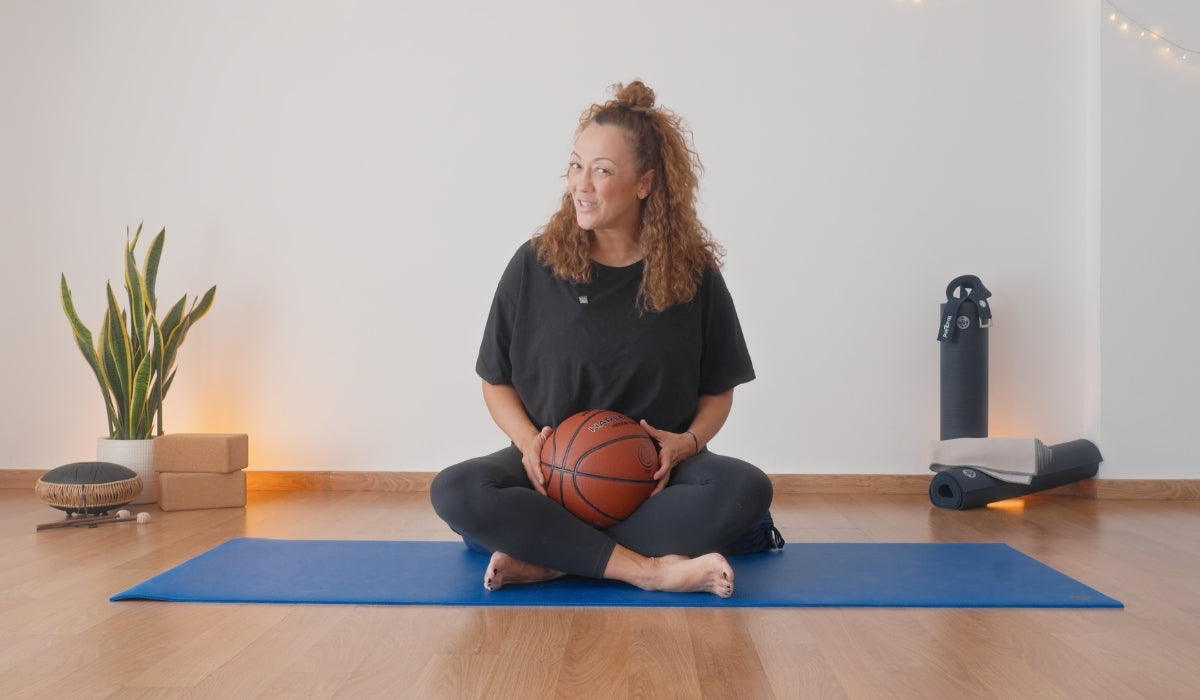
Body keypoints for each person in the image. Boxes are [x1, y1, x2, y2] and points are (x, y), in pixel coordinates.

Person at [430, 80, 773, 598]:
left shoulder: (692, 274)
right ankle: (648, 569)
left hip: (652, 481)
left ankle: (552, 558)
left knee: (745, 490)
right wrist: (529, 446)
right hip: (550, 475)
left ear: (645, 183)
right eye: (575, 165)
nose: (581, 183)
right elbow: (494, 380)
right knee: (456, 491)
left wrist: (687, 444)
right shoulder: (533, 264)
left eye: (602, 170)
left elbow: (718, 388)